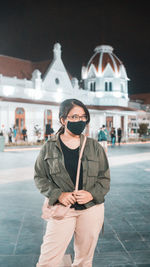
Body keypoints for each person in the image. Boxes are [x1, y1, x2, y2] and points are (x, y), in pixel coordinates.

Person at [34, 98, 110, 267]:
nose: (80, 121)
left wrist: (91, 194)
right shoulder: (49, 147)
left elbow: (104, 178)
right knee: (48, 261)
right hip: (62, 210)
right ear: (63, 119)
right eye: (74, 117)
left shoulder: (94, 146)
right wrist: (58, 194)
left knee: (84, 261)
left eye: (83, 117)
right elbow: (39, 177)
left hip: (91, 209)